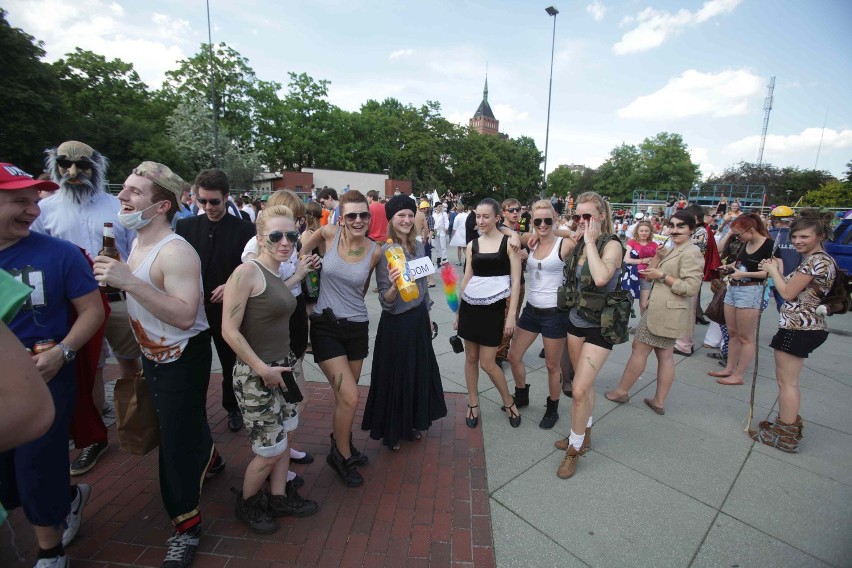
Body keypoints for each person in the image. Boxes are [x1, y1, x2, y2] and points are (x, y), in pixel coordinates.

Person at [93, 161, 221, 568]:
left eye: (133, 192)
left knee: (174, 441)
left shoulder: (177, 250)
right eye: (124, 189)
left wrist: (128, 281)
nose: (122, 197)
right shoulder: (136, 241)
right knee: (182, 421)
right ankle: (212, 459)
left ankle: (186, 526)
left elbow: (185, 315)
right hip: (155, 354)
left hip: (182, 356)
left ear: (161, 205)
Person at [1, 163, 105, 568]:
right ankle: (66, 497)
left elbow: (91, 312)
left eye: (34, 200)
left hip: (46, 376)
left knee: (36, 463)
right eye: (18, 200)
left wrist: (62, 351)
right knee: (9, 477)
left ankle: (50, 551)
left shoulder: (59, 254)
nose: (32, 210)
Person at [33, 141, 140, 476]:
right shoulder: (46, 209)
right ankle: (94, 438)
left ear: (97, 168)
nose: (74, 173)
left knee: (130, 362)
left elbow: (137, 249)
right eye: (65, 165)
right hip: (74, 308)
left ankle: (137, 423)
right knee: (87, 368)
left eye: (82, 166)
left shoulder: (116, 206)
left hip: (117, 298)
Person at [222, 205, 319, 534]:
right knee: (269, 450)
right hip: (256, 375)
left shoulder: (276, 272)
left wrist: (300, 274)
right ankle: (247, 503)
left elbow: (275, 297)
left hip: (283, 368)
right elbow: (229, 331)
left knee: (287, 434)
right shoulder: (246, 272)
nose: (285, 242)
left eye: (291, 235)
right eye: (276, 236)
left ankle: (278, 497)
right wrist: (262, 368)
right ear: (260, 238)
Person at [300, 191, 383, 487]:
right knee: (350, 396)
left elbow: (365, 289)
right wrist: (304, 268)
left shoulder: (375, 251)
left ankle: (342, 441)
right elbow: (297, 252)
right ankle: (341, 456)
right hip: (326, 326)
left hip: (358, 327)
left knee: (344, 398)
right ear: (342, 218)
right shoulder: (329, 233)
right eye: (352, 215)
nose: (358, 220)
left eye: (363, 215)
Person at [361, 195, 447, 450]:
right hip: (396, 325)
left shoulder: (419, 247)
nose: (407, 220)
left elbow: (423, 289)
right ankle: (393, 431)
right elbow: (385, 302)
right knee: (396, 377)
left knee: (416, 373)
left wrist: (428, 317)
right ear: (391, 219)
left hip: (418, 320)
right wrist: (395, 285)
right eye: (401, 215)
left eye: (410, 215)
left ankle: (411, 422)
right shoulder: (384, 251)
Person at [175, 168, 257, 433]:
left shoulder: (245, 229)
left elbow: (252, 267)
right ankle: (195, 410)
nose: (208, 207)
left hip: (227, 307)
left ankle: (232, 407)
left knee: (230, 361)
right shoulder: (186, 226)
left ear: (226, 197)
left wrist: (231, 285)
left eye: (214, 202)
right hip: (194, 308)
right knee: (193, 363)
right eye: (202, 201)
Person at [240, 190, 315, 470]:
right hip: (273, 327)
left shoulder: (290, 243)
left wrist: (305, 268)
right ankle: (277, 460)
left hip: (291, 316)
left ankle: (285, 451)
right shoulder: (257, 246)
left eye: (298, 220)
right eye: (294, 216)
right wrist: (298, 275)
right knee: (292, 397)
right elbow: (261, 296)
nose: (296, 225)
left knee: (294, 398)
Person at [553, 191, 624, 480]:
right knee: (586, 385)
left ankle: (574, 449)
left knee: (579, 389)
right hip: (575, 321)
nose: (582, 221)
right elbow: (552, 233)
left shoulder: (612, 245)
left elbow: (601, 278)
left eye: (588, 216)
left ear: (602, 217)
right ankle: (584, 435)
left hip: (600, 325)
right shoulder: (577, 238)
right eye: (578, 216)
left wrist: (591, 242)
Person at [605, 210, 704, 413]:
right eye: (672, 225)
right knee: (665, 354)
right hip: (663, 310)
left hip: (665, 311)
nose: (675, 230)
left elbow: (690, 287)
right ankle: (658, 401)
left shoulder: (691, 252)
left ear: (691, 229)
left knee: (640, 350)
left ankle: (622, 391)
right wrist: (658, 259)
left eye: (681, 226)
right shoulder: (674, 248)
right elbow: (650, 276)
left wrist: (662, 275)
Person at [753, 217, 835, 452]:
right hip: (803, 325)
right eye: (795, 236)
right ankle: (785, 425)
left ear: (819, 236)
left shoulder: (815, 261)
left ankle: (786, 433)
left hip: (799, 326)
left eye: (804, 237)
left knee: (787, 382)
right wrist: (775, 270)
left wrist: (772, 271)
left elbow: (788, 293)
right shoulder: (819, 260)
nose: (798, 241)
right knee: (787, 381)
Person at [455, 198, 522, 430]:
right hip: (470, 308)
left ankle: (508, 400)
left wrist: (511, 315)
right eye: (478, 216)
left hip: (494, 309)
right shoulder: (472, 245)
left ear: (497, 218)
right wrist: (457, 310)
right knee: (470, 359)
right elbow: (466, 278)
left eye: (485, 216)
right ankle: (473, 403)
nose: (480, 220)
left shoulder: (510, 243)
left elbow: (516, 283)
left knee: (488, 363)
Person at [506, 200, 573, 429]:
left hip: (555, 314)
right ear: (532, 220)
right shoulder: (530, 241)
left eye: (547, 220)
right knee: (513, 356)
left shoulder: (563, 244)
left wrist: (555, 229)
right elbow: (506, 229)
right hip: (531, 311)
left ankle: (552, 407)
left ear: (554, 218)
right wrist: (519, 236)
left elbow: (579, 235)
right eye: (538, 221)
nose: (542, 225)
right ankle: (522, 394)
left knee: (553, 366)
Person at [708, 213, 774, 385]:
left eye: (739, 234)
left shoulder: (769, 245)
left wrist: (743, 274)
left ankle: (739, 374)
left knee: (746, 336)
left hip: (751, 291)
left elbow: (771, 272)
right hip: (735, 289)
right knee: (732, 332)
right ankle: (730, 368)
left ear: (750, 230)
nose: (737, 238)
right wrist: (728, 267)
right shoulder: (747, 243)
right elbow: (739, 264)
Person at [620, 220, 658, 318]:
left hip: (646, 277)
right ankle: (626, 327)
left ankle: (642, 328)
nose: (644, 233)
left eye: (646, 231)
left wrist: (652, 262)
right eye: (641, 231)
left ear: (650, 232)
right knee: (628, 305)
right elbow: (627, 259)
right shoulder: (632, 242)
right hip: (631, 278)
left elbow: (657, 261)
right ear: (637, 231)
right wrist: (644, 261)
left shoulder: (654, 245)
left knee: (644, 305)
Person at [767, 206, 801, 311]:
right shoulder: (799, 237)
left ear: (775, 220)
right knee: (787, 310)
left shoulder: (768, 236)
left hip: (771, 278)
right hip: (793, 279)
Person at [431, 201, 449, 266]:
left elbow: (447, 222)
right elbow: (432, 223)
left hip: (442, 231)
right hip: (436, 231)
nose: (440, 207)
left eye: (441, 206)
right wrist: (433, 229)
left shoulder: (444, 214)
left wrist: (446, 227)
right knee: (437, 245)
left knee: (443, 245)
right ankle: (438, 258)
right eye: (439, 206)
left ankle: (445, 259)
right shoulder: (433, 214)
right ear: (436, 207)